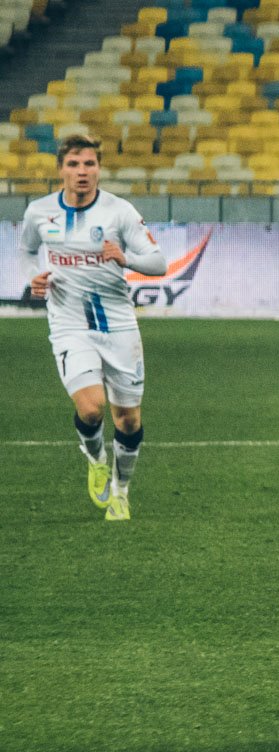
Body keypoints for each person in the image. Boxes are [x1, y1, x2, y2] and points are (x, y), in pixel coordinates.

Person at [18, 134, 166, 521]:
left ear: (99, 168)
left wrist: (127, 257)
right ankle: (96, 458)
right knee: (90, 408)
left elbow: (159, 263)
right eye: (73, 165)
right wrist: (34, 278)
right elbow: (27, 249)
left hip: (118, 326)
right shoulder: (38, 212)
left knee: (129, 420)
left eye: (89, 165)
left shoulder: (119, 213)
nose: (82, 172)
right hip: (69, 324)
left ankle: (121, 490)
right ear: (61, 169)